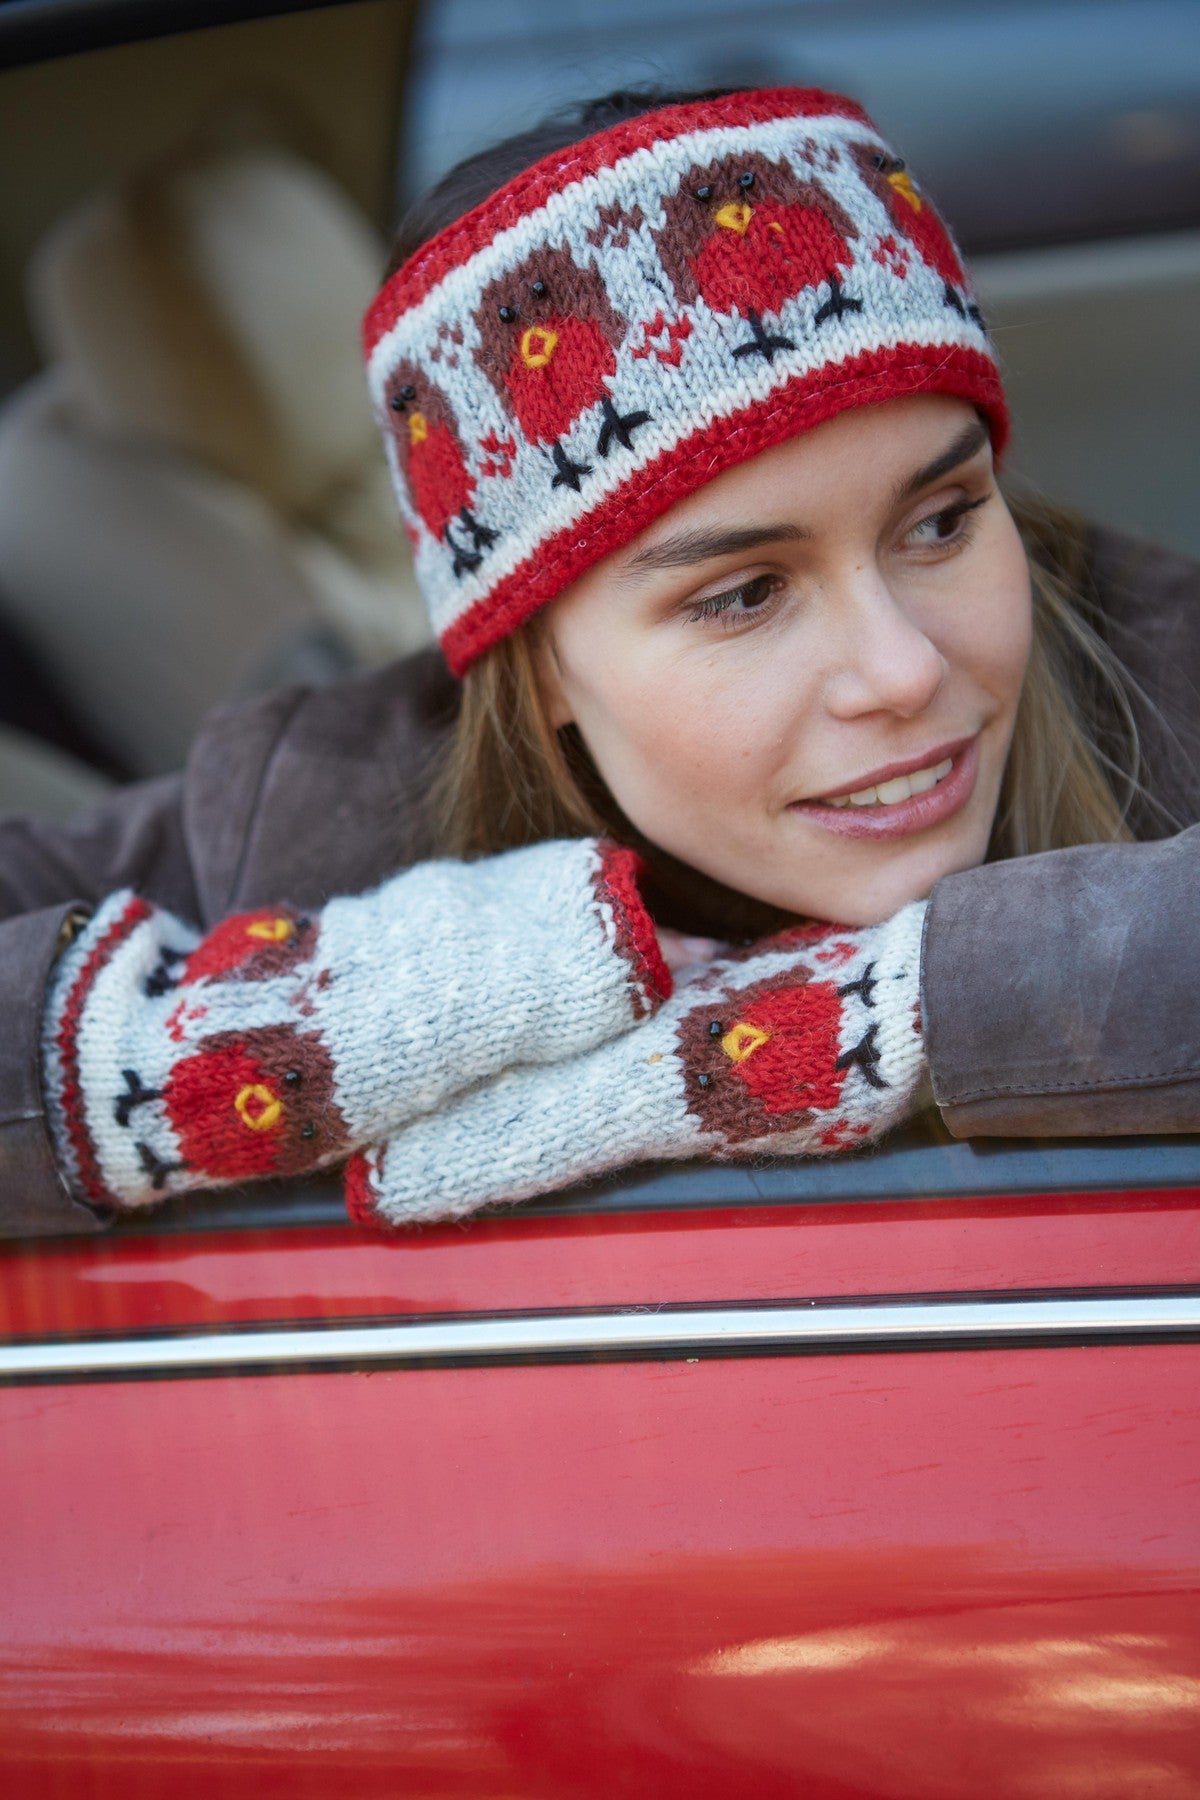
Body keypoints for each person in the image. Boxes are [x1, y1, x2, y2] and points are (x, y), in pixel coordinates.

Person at [3, 84, 1198, 1238]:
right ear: (539, 675)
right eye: (744, 594)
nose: (899, 671)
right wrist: (208, 1048)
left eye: (939, 522)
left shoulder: (1162, 668)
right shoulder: (313, 817)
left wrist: (914, 1004)